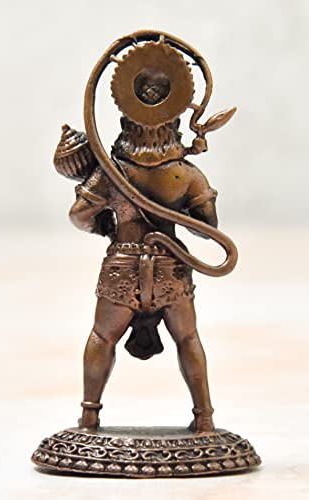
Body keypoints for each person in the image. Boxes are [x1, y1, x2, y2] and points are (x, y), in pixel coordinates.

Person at [69, 115, 219, 433]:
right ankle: (204, 418)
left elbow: (79, 215)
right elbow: (208, 228)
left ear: (126, 125)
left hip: (122, 264)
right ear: (174, 127)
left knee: (102, 337)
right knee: (187, 338)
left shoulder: (110, 173)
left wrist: (105, 227)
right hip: (170, 265)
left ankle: (89, 418)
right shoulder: (187, 174)